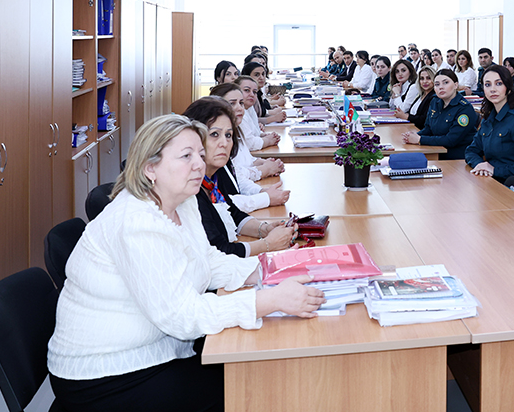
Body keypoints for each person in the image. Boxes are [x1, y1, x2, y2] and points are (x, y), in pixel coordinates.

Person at [47, 115, 323, 412]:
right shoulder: (136, 223)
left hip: (160, 347)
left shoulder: (184, 200)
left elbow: (206, 260)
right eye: (186, 156)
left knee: (255, 364)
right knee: (248, 386)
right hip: (105, 374)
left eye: (200, 155)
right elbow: (181, 315)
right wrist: (269, 300)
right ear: (149, 167)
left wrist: (266, 270)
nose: (199, 165)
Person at [183, 97, 296, 258]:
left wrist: (264, 229)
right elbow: (218, 251)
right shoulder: (190, 188)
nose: (224, 143)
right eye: (214, 134)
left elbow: (234, 214)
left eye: (228, 135)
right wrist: (268, 244)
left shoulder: (215, 175)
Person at [210, 83, 288, 212]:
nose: (239, 108)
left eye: (241, 103)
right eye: (232, 103)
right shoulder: (215, 144)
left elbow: (237, 177)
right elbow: (224, 198)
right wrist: (264, 172)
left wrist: (262, 191)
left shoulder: (233, 132)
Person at [465, 64, 514, 181]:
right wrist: (480, 165)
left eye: (499, 83)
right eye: (487, 85)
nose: (492, 89)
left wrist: (495, 170)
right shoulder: (488, 119)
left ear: (509, 88)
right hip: (490, 180)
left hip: (513, 183)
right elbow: (471, 151)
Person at [403, 69, 477, 159]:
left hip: (457, 157)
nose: (441, 87)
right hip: (437, 150)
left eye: (445, 83)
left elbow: (451, 140)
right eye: (437, 84)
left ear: (455, 85)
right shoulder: (435, 102)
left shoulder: (465, 108)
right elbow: (428, 129)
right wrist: (414, 135)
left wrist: (420, 139)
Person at [235, 76, 279, 151]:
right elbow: (249, 144)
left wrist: (263, 135)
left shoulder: (249, 108)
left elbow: (254, 131)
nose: (252, 94)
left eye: (254, 92)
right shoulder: (237, 112)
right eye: (247, 90)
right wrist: (268, 141)